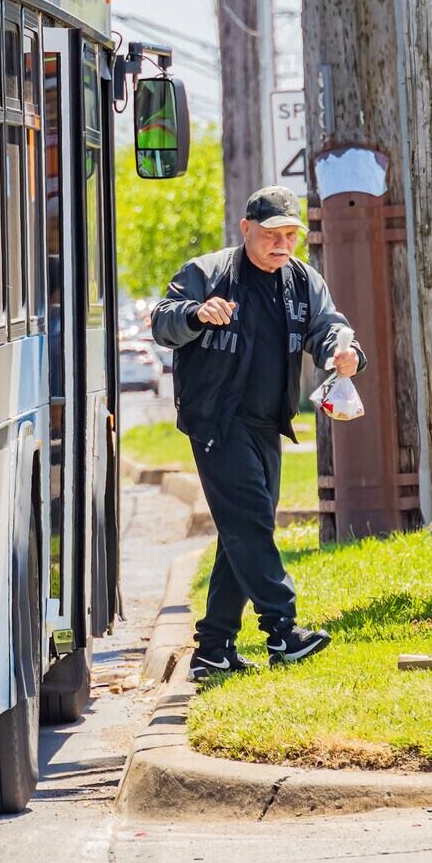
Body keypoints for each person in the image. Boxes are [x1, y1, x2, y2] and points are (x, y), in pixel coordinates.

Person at [151, 186, 362, 678]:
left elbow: (328, 328)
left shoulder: (302, 281)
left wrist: (344, 353)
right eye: (271, 234)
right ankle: (283, 632)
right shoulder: (207, 273)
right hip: (216, 423)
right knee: (249, 524)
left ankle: (215, 648)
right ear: (246, 229)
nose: (281, 243)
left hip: (268, 425)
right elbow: (163, 322)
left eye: (290, 235)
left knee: (240, 533)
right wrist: (196, 314)